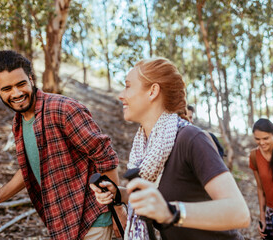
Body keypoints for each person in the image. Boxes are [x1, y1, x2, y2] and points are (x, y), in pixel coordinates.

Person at [90, 57, 250, 239]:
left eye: (128, 86)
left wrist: (170, 212)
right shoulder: (145, 148)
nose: (121, 95)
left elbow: (240, 213)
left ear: (153, 91)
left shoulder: (190, 138)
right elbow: (166, 192)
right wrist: (121, 194)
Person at [0, 50, 119, 240]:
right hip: (64, 224)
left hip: (92, 220)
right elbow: (29, 169)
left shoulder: (63, 109)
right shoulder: (19, 122)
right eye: (7, 88)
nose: (16, 93)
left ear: (31, 79)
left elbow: (105, 156)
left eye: (21, 84)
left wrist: (117, 208)